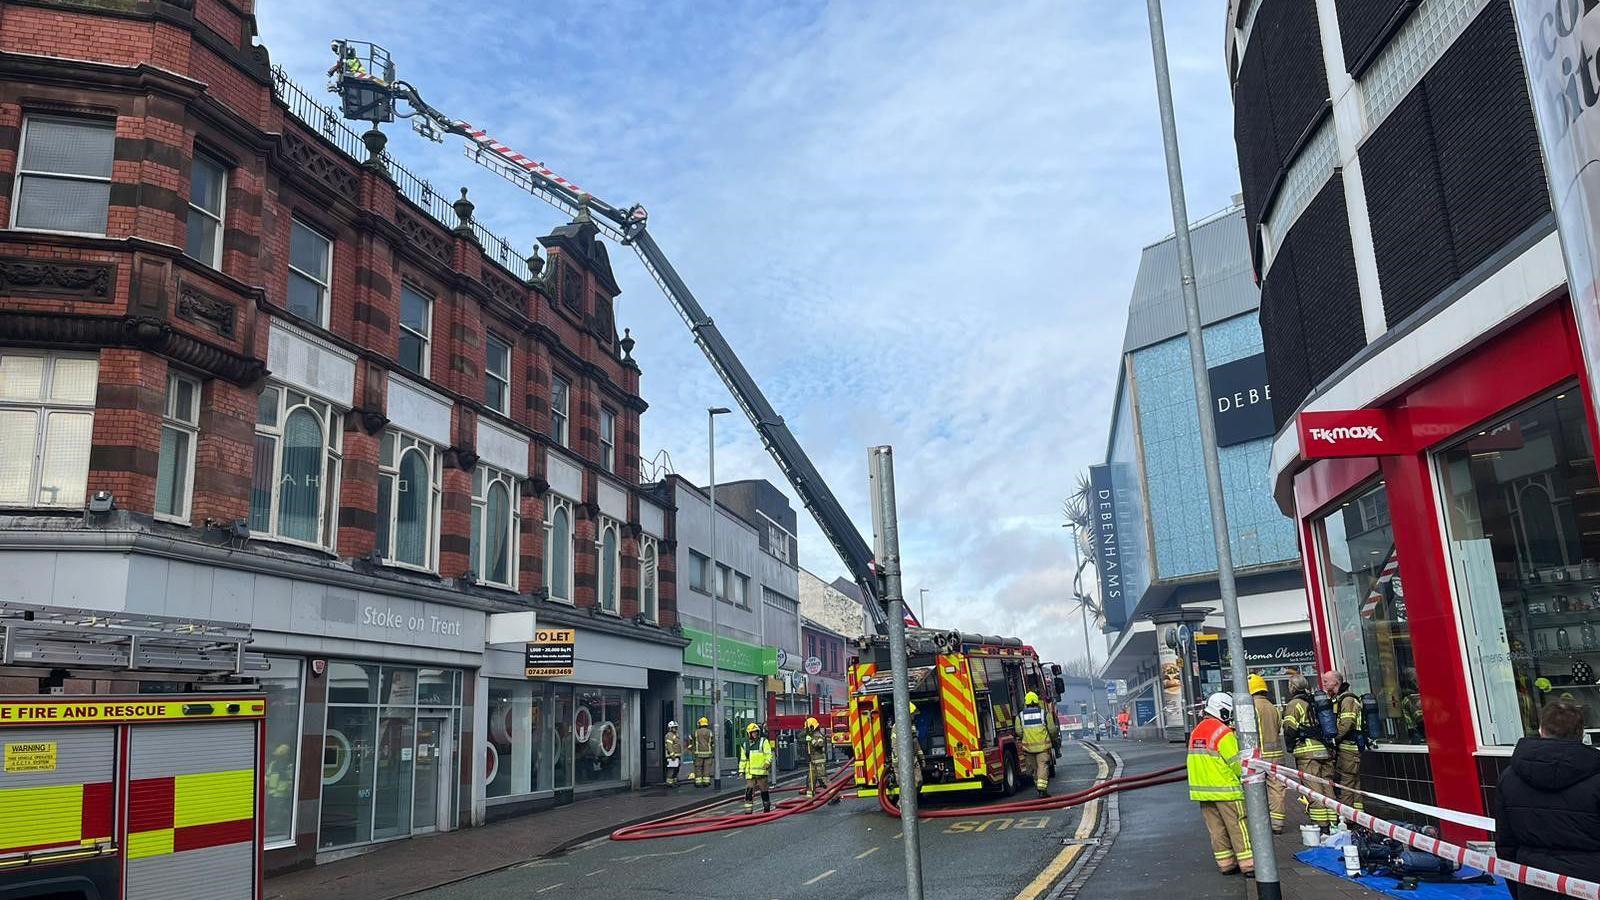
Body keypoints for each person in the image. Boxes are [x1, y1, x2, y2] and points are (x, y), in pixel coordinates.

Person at [1495, 700, 1600, 900]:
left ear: (1542, 730)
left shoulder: (1509, 777)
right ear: (1581, 733)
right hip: (1589, 883)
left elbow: (1505, 843)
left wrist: (1518, 886)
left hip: (1533, 880)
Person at [1188, 692, 1253, 877]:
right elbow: (1237, 763)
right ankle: (1249, 866)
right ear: (1223, 711)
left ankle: (1226, 864)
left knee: (1216, 831)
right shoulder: (1222, 732)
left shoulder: (1197, 731)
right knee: (1238, 828)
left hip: (1203, 792)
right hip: (1227, 791)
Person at [1282, 674, 1336, 832]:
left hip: (1307, 753)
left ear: (1292, 687)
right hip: (1324, 750)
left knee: (1314, 790)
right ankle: (1334, 822)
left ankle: (1322, 827)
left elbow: (1289, 728)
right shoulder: (1314, 702)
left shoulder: (1294, 704)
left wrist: (1290, 746)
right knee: (1328, 788)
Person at [1247, 674, 1287, 834]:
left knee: (1256, 789)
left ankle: (1260, 823)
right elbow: (1278, 729)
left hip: (1259, 756)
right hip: (1277, 756)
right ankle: (1277, 824)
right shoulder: (1274, 708)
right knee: (1277, 790)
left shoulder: (1251, 708)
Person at [1323, 670, 1363, 811]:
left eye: (1327, 681)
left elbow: (1346, 724)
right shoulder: (1340, 699)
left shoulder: (1347, 699)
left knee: (1346, 784)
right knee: (1354, 785)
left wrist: (1333, 739)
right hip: (1348, 748)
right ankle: (1358, 817)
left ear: (1336, 682)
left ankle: (1346, 817)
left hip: (1349, 749)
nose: (1324, 683)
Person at [1019, 691, 1054, 797]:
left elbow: (1018, 731)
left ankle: (1039, 788)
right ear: (1037, 701)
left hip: (1029, 749)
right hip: (1043, 748)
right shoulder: (1044, 714)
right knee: (1042, 767)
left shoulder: (1020, 716)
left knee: (1034, 769)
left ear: (1026, 702)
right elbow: (1052, 729)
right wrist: (1053, 739)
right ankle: (1042, 789)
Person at [887, 701, 925, 792]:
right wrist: (900, 759)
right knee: (904, 787)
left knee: (918, 781)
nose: (914, 716)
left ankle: (910, 803)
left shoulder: (911, 726)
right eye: (912, 714)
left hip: (913, 759)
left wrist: (921, 758)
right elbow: (895, 745)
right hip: (900, 761)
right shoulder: (897, 727)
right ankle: (902, 804)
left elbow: (916, 743)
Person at [738, 722, 774, 813]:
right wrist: (741, 771)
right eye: (753, 732)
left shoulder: (763, 741)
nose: (755, 734)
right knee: (749, 792)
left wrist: (767, 763)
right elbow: (743, 759)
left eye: (756, 732)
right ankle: (748, 811)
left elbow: (768, 754)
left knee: (764, 791)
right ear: (749, 733)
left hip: (762, 773)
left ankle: (766, 808)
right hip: (750, 774)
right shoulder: (745, 744)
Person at [803, 716, 829, 798]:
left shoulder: (818, 735)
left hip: (819, 761)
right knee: (811, 780)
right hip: (813, 761)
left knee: (824, 780)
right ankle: (809, 799)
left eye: (807, 728)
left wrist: (812, 740)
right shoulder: (810, 735)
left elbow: (820, 744)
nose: (806, 730)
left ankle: (834, 796)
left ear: (812, 727)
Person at [691, 717, 715, 787]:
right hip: (708, 753)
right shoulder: (710, 732)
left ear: (700, 724)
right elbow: (712, 743)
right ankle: (706, 782)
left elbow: (691, 740)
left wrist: (692, 750)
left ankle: (698, 783)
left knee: (698, 768)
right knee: (706, 768)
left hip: (698, 754)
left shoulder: (696, 732)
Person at [663, 720, 682, 787]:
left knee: (676, 769)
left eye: (676, 727)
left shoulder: (676, 734)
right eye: (674, 727)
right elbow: (669, 746)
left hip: (677, 755)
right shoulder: (669, 735)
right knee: (671, 769)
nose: (675, 729)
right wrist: (672, 755)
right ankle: (669, 783)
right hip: (671, 756)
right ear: (670, 728)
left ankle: (674, 782)